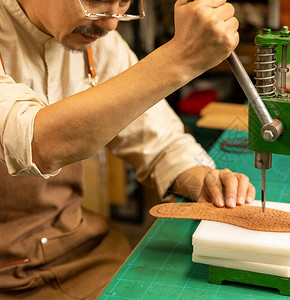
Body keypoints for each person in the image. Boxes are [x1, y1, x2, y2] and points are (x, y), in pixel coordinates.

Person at [0, 0, 255, 298]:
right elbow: (36, 143)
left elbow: (161, 143)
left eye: (124, 3)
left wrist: (203, 180)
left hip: (77, 245)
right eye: (97, 0)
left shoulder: (97, 46)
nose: (111, 23)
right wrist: (179, 59)